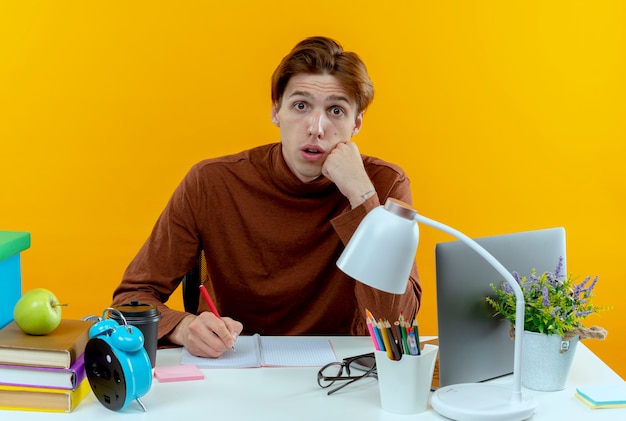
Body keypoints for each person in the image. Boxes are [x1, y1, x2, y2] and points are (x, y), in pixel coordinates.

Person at [112, 36, 421, 358]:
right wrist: (183, 326)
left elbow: (398, 322)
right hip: (231, 362)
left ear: (356, 123)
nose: (316, 127)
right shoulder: (212, 182)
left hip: (341, 368)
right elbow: (132, 298)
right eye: (301, 106)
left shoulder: (384, 185)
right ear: (276, 111)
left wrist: (362, 197)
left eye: (336, 110)